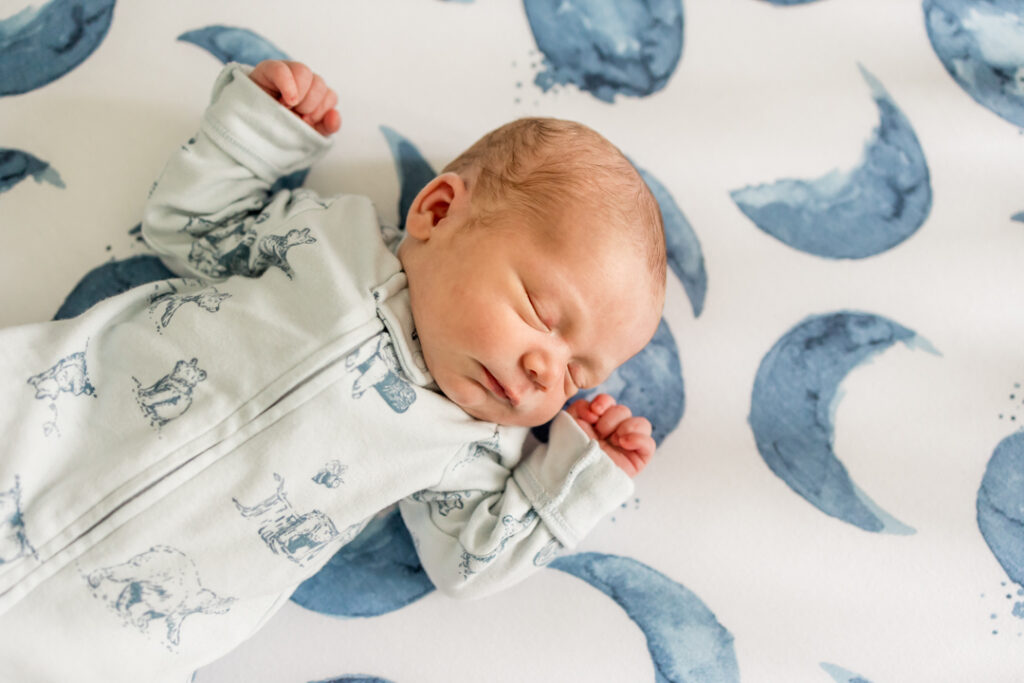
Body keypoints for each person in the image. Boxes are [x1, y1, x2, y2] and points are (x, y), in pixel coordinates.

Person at [0, 59, 666, 681]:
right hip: (38, 426)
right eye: (541, 313)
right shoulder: (323, 243)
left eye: (578, 373)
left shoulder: (471, 447)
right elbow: (189, 225)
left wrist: (575, 476)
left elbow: (468, 562)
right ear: (436, 213)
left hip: (102, 628)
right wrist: (265, 127)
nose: (543, 370)